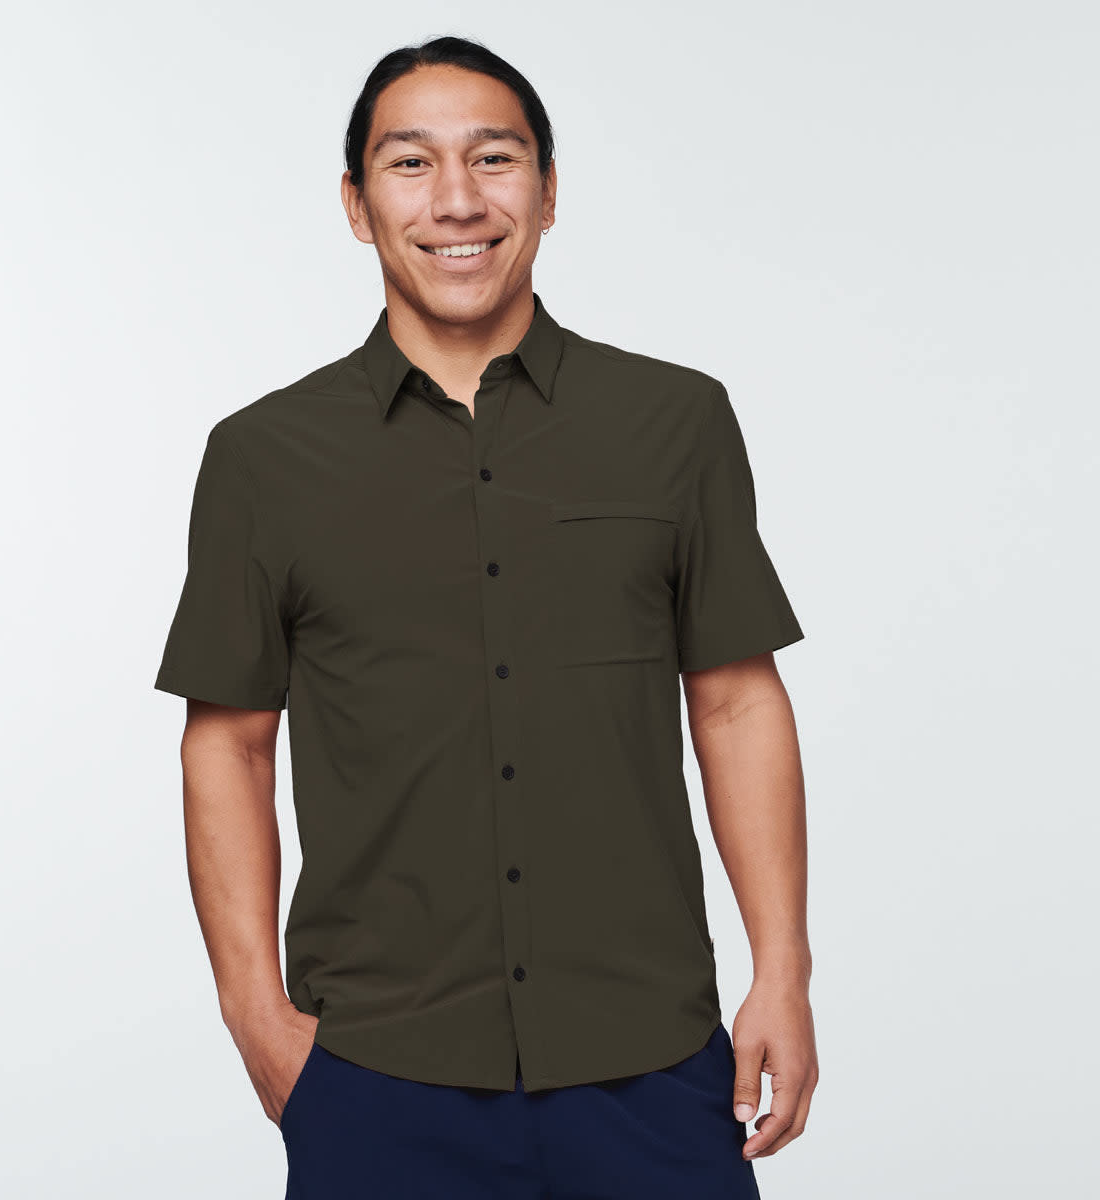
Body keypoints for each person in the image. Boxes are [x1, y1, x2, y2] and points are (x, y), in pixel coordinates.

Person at [154, 33, 817, 1199]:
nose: (456, 200)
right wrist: (257, 1017)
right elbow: (229, 743)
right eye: (410, 164)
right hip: (378, 1073)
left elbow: (735, 702)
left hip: (652, 1060)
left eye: (494, 159)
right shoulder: (263, 459)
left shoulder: (675, 422)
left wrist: (783, 974)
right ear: (357, 205)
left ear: (549, 193)